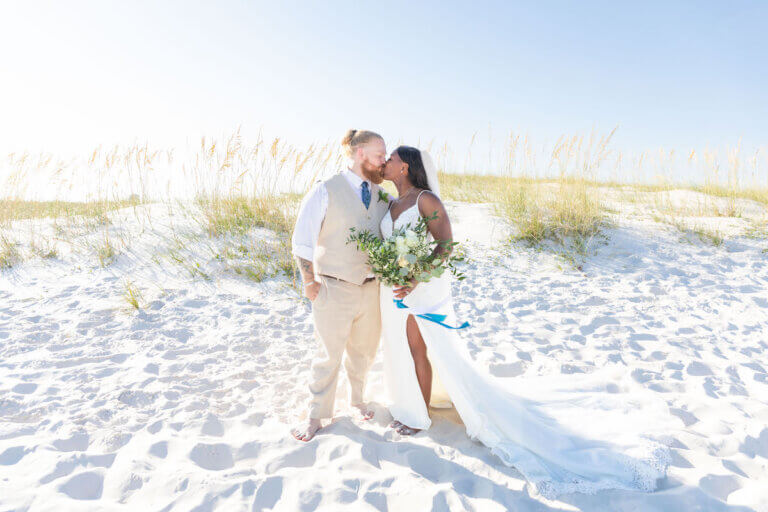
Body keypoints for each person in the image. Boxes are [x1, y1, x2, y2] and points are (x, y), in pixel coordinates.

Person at [378, 145, 671, 498]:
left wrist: (416, 275)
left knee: (421, 346)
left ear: (405, 166)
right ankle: (412, 404)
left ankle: (417, 415)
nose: (385, 163)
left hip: (423, 284)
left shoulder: (426, 199)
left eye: (390, 158)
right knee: (404, 346)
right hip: (394, 285)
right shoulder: (390, 204)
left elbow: (445, 245)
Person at [290, 129, 389, 442]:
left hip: (372, 287)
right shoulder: (326, 189)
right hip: (333, 286)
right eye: (379, 154)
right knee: (328, 354)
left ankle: (357, 400)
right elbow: (302, 239)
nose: (384, 161)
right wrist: (309, 281)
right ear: (360, 154)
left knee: (364, 351)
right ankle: (316, 414)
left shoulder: (383, 196)